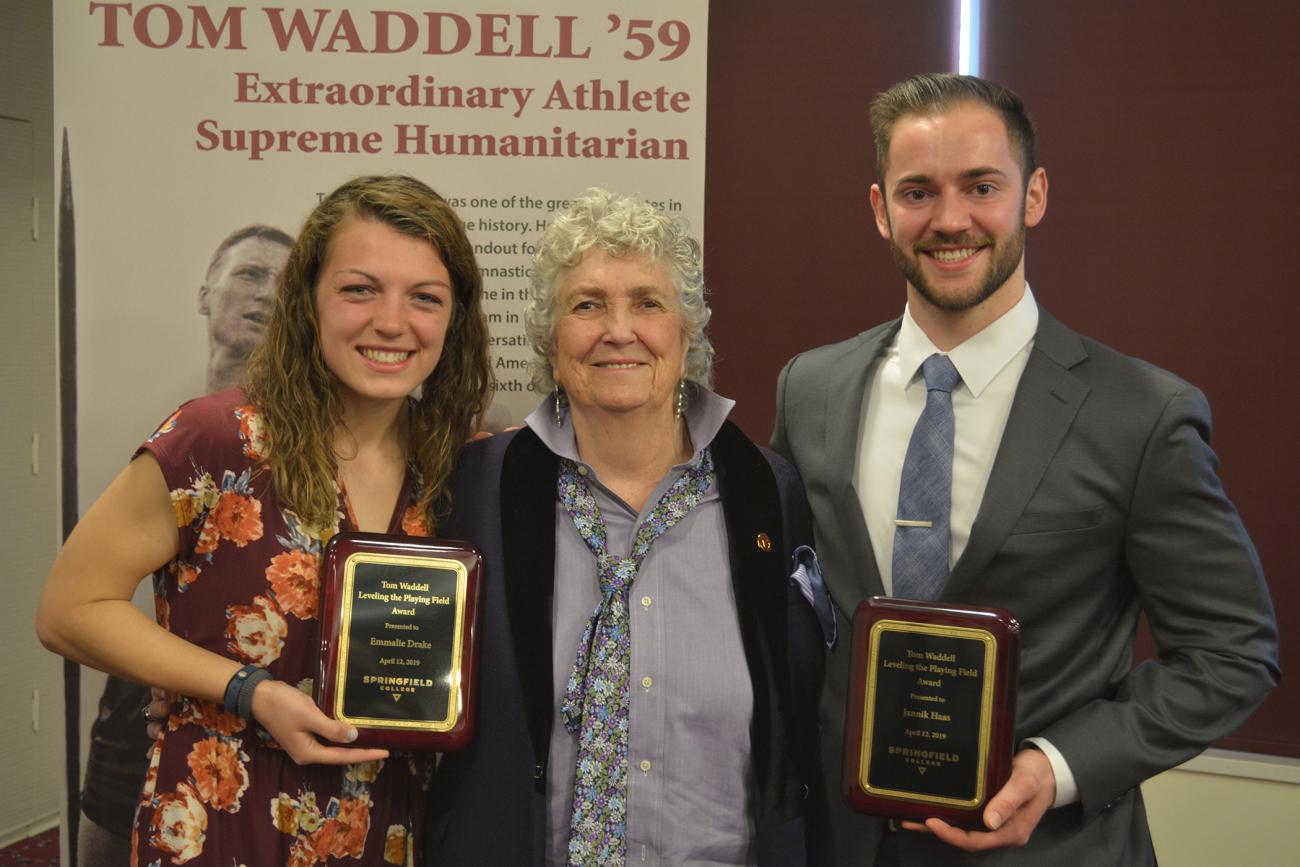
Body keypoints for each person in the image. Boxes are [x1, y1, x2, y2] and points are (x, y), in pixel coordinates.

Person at [771, 73, 1279, 865]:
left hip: (1053, 849)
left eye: (981, 186)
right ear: (880, 210)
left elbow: (1233, 651)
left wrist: (1060, 766)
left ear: (1033, 194)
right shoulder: (811, 389)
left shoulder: (1139, 414)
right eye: (917, 191)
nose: (949, 219)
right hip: (843, 845)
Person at [38, 174, 492, 865]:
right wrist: (247, 689)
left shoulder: (458, 467)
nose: (392, 322)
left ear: (455, 317)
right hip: (225, 825)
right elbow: (69, 608)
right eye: (359, 289)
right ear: (308, 299)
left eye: (424, 298)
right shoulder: (217, 440)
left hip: (388, 832)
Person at [425, 188, 829, 865]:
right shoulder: (476, 491)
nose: (619, 330)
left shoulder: (767, 493)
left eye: (647, 301)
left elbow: (800, 715)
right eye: (587, 304)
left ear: (687, 332)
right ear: (552, 341)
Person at [79, 222, 295, 867]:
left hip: (280, 702)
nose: (266, 294)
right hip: (144, 689)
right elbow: (81, 603)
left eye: (285, 282)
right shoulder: (171, 428)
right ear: (207, 292)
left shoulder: (337, 434)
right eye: (250, 275)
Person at [199, 224, 294, 392]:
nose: (270, 294)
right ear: (204, 298)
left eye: (285, 285)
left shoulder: (320, 416)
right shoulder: (185, 416)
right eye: (250, 274)